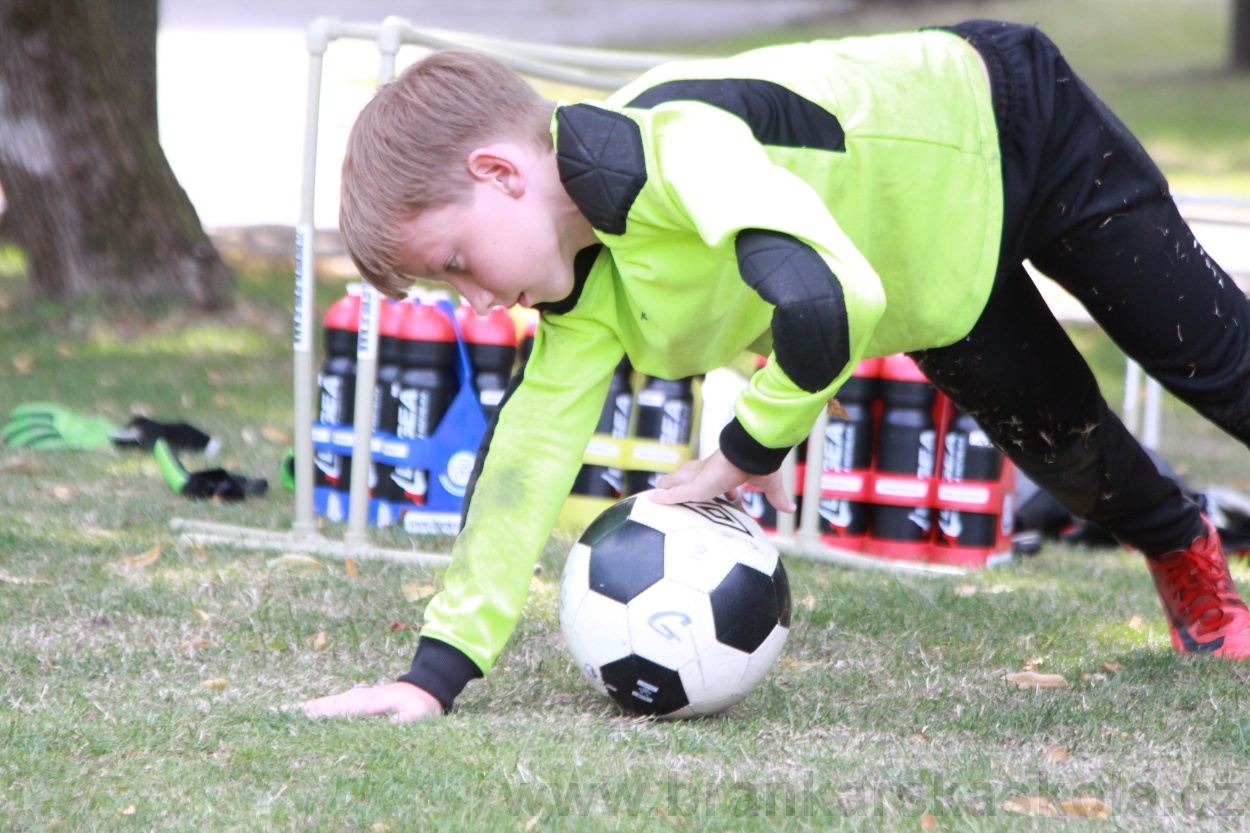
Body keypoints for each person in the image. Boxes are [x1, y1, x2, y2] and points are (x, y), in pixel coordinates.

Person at [303, 20, 1250, 723]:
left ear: (501, 173)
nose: (474, 302)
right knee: (1074, 456)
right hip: (930, 278)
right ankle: (1188, 557)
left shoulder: (668, 145)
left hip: (1015, 125)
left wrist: (745, 448)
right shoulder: (577, 297)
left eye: (456, 264)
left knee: (1221, 368)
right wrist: (433, 675)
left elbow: (826, 298)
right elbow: (522, 464)